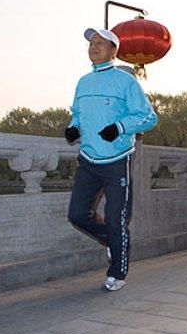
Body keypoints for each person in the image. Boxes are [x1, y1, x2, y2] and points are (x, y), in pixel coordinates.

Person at [64, 28, 158, 291]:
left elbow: (148, 117)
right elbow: (77, 114)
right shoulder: (83, 82)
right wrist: (74, 127)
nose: (94, 47)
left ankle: (117, 271)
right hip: (88, 159)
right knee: (77, 214)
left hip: (117, 159)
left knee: (116, 218)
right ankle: (114, 240)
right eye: (91, 43)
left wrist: (119, 127)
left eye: (100, 43)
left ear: (113, 51)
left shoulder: (125, 81)